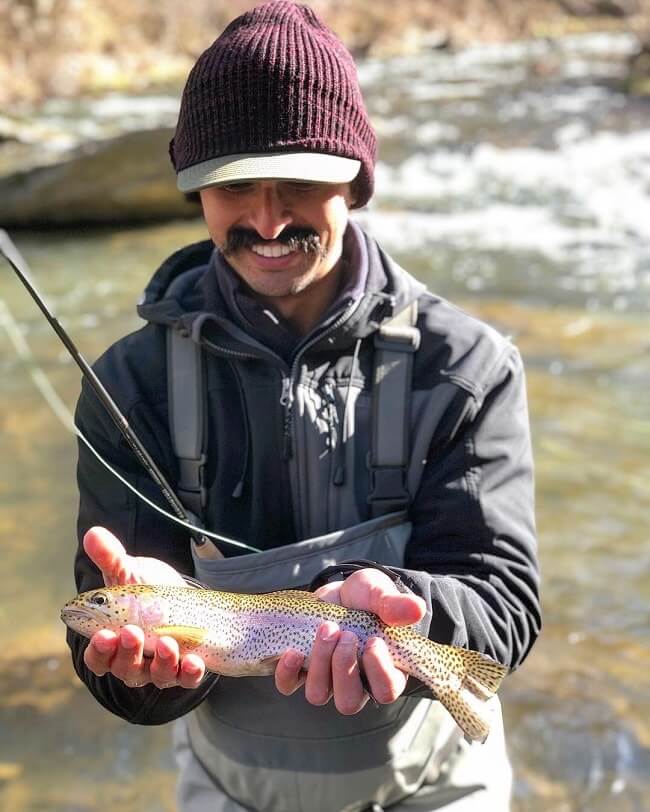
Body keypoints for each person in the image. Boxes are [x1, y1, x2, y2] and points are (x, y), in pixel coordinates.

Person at [67, 2, 541, 810]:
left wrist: (410, 612)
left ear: (354, 179)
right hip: (231, 789)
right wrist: (146, 679)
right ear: (196, 192)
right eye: (234, 186)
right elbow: (119, 681)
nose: (267, 217)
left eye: (299, 181)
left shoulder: (468, 366)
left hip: (437, 787)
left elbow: (502, 605)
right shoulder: (129, 381)